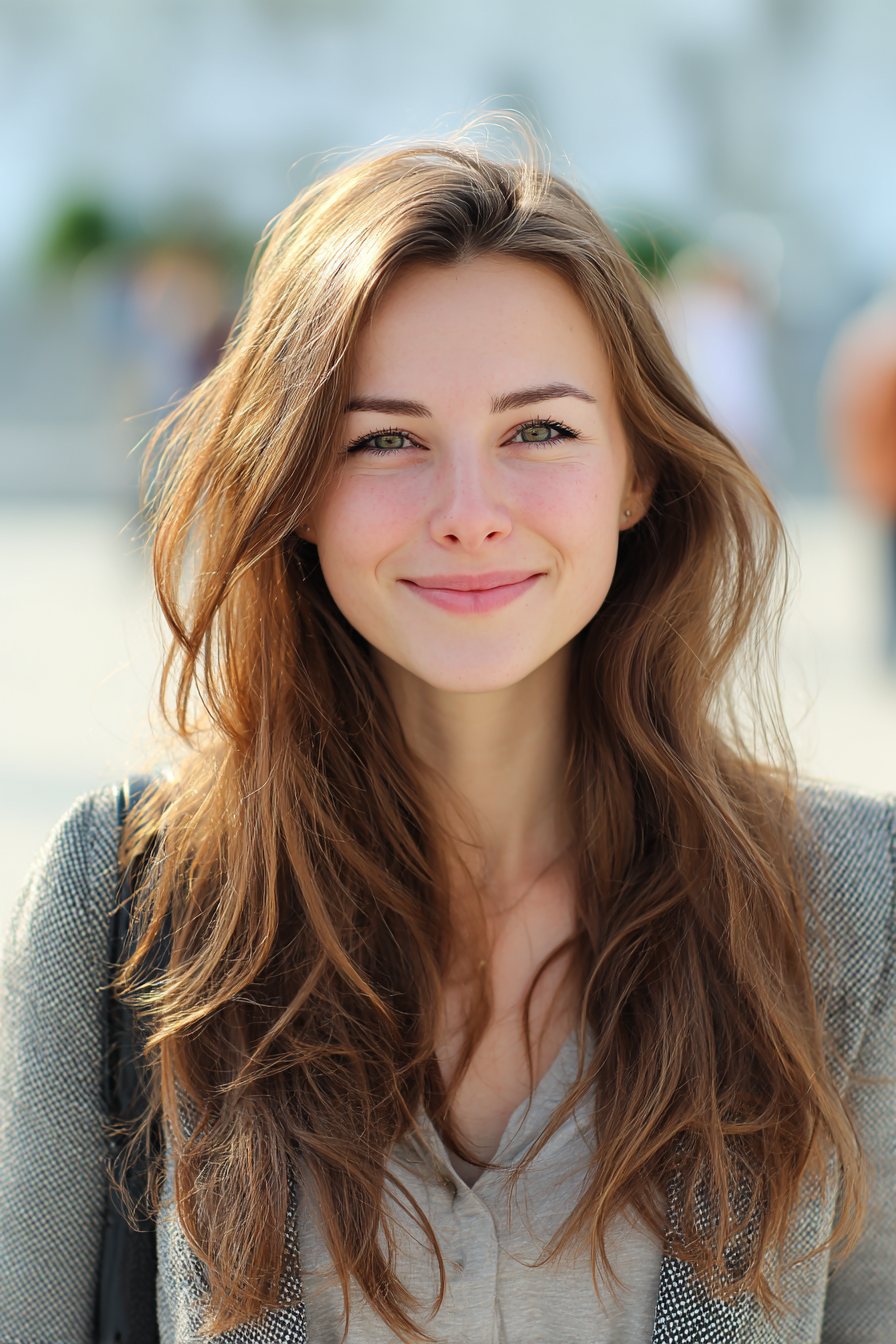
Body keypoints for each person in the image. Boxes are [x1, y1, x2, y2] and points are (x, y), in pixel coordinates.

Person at [1, 138, 893, 1344]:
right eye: (384, 439)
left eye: (538, 432)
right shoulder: (129, 906)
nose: (468, 514)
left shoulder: (846, 907)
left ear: (637, 472)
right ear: (297, 487)